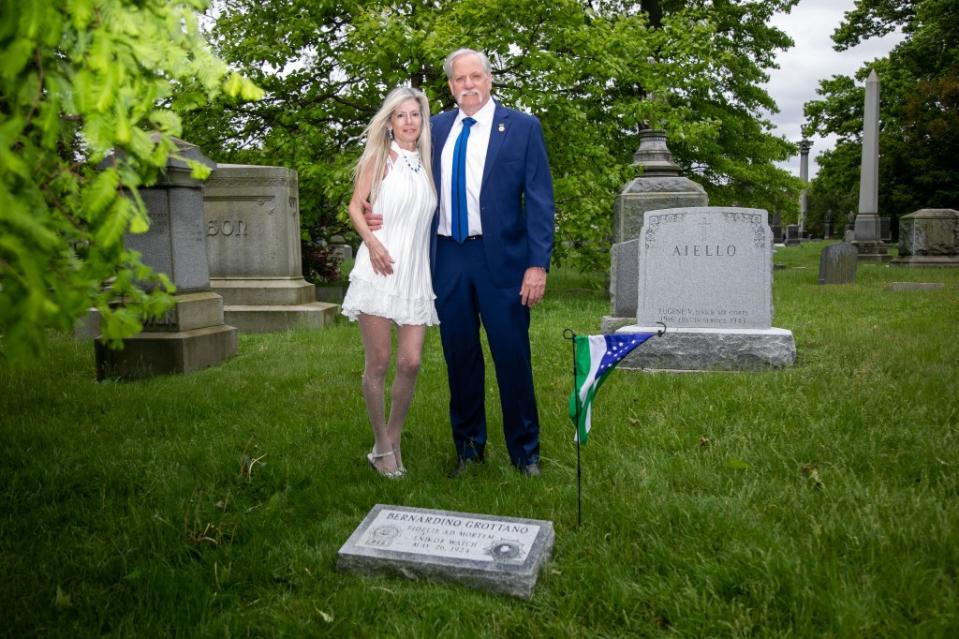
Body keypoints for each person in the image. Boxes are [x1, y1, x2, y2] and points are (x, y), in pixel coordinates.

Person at [366, 48, 555, 478]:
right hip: (448, 257)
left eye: (475, 77)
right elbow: (396, 164)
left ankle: (526, 453)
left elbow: (540, 201)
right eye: (458, 79)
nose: (467, 85)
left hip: (503, 260)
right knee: (460, 355)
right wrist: (374, 210)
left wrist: (537, 264)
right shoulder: (435, 128)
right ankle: (469, 449)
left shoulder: (522, 128)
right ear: (450, 86)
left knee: (511, 355)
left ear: (489, 80)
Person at [342, 86, 438, 479]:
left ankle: (393, 439)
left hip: (415, 273)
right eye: (401, 115)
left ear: (422, 120)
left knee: (411, 362)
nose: (409, 122)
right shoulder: (380, 158)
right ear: (390, 122)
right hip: (378, 268)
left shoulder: (429, 162)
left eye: (415, 114)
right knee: (379, 362)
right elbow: (354, 205)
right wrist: (371, 241)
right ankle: (381, 446)